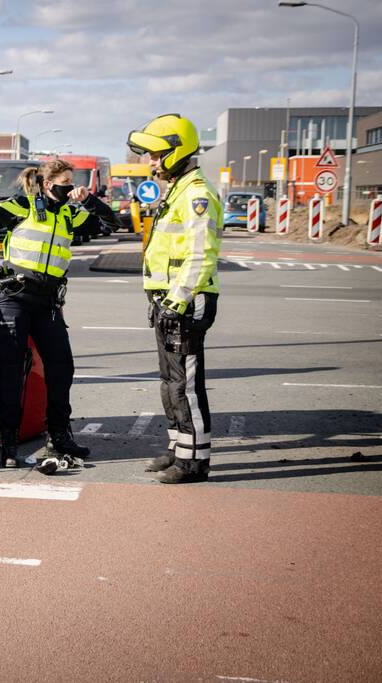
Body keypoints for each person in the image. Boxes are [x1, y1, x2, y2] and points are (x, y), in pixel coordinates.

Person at [0, 159, 120, 471]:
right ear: (47, 184)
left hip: (47, 303)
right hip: (13, 298)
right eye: (65, 182)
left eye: (72, 182)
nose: (70, 187)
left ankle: (59, 436)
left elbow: (112, 224)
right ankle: (8, 443)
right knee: (11, 372)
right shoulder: (23, 205)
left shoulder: (70, 213)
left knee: (62, 368)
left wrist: (90, 201)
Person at [127, 113, 221, 484]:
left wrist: (177, 300)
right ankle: (179, 449)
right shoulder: (177, 189)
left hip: (185, 301)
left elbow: (201, 254)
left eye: (155, 155)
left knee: (186, 384)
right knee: (170, 381)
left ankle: (195, 463)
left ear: (175, 152)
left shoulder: (196, 193)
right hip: (168, 300)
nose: (151, 162)